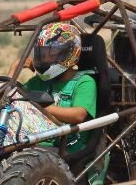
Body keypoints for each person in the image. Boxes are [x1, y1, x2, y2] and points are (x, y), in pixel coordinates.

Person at [8, 22, 96, 154]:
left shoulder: (84, 82)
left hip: (67, 147)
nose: (45, 58)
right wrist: (14, 69)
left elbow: (78, 115)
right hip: (35, 143)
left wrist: (41, 107)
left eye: (52, 54)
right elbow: (9, 98)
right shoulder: (39, 81)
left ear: (70, 53)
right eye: (42, 54)